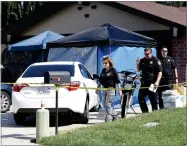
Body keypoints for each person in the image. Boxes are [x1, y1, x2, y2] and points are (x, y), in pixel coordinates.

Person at [95, 56, 122, 122]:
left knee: (108, 105)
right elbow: (100, 80)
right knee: (104, 104)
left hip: (111, 90)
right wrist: (97, 88)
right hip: (104, 89)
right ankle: (115, 114)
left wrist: (119, 91)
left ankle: (109, 119)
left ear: (109, 63)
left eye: (106, 63)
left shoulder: (113, 70)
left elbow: (118, 81)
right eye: (103, 63)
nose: (104, 64)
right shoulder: (103, 70)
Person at [136, 47, 163, 113]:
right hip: (144, 82)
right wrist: (137, 63)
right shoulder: (142, 60)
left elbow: (160, 72)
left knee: (153, 99)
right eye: (145, 54)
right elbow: (138, 70)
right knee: (140, 97)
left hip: (152, 82)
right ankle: (145, 112)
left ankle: (155, 113)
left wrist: (157, 82)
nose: (146, 56)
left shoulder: (156, 60)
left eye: (148, 54)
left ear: (151, 53)